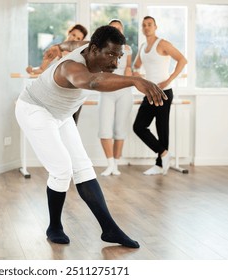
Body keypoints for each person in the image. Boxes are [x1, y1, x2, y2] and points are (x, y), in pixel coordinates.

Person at [15, 25, 167, 248]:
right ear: (95, 49)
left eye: (119, 56)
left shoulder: (87, 47)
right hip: (35, 109)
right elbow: (93, 82)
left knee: (83, 167)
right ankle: (54, 227)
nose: (115, 63)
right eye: (111, 55)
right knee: (62, 169)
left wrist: (58, 45)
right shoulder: (70, 67)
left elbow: (71, 44)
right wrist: (136, 80)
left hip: (61, 113)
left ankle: (110, 229)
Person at [132, 16, 187, 176]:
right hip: (150, 92)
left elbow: (182, 60)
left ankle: (159, 163)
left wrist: (168, 80)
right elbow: (136, 66)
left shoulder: (162, 44)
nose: (146, 27)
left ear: (156, 27)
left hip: (164, 92)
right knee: (139, 126)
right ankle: (164, 153)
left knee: (162, 128)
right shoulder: (143, 47)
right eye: (144, 25)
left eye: (149, 25)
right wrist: (139, 78)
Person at [26, 24, 88, 125]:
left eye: (78, 38)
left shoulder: (79, 55)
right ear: (68, 33)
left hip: (71, 99)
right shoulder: (54, 49)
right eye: (73, 35)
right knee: (52, 127)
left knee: (70, 127)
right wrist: (32, 70)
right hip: (54, 97)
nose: (74, 39)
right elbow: (42, 69)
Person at [99, 19, 133, 176]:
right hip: (107, 91)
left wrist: (129, 72)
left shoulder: (127, 49)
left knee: (120, 129)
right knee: (104, 129)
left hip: (124, 92)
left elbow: (128, 67)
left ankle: (116, 165)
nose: (116, 31)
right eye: (113, 29)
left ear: (122, 31)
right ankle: (110, 164)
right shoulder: (101, 48)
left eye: (118, 28)